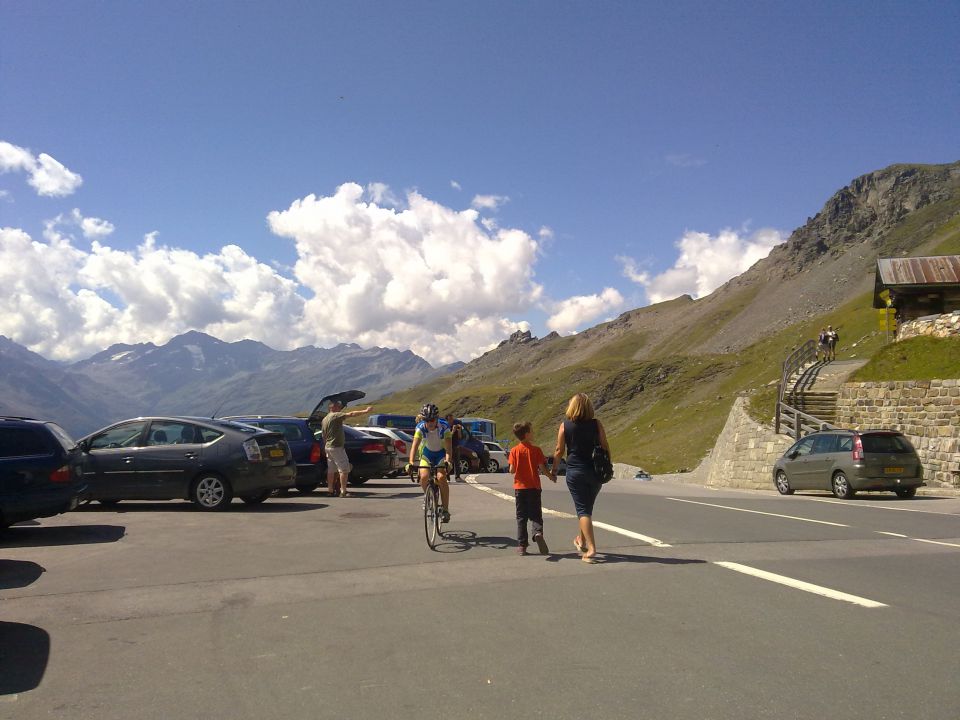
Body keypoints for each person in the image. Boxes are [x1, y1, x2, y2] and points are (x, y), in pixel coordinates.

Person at [553, 392, 609, 564]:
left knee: (582, 510)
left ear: (572, 406)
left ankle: (591, 549)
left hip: (575, 471)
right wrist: (607, 465)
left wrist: (554, 469)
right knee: (585, 509)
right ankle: (582, 540)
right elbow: (605, 446)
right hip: (594, 473)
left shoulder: (565, 425)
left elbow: (559, 450)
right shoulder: (596, 424)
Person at [508, 421, 555, 555]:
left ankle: (522, 545)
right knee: (535, 515)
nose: (533, 433)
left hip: (519, 488)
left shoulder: (514, 451)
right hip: (534, 487)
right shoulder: (536, 450)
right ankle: (538, 532)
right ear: (527, 434)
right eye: (532, 431)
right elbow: (542, 468)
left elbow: (511, 470)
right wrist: (551, 476)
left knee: (521, 517)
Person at [408, 403, 453, 523]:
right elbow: (414, 446)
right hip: (427, 453)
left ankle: (445, 509)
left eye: (432, 420)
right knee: (423, 476)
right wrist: (411, 462)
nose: (430, 423)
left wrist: (448, 461)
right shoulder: (420, 427)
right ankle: (428, 497)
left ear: (437, 418)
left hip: (440, 454)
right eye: (427, 420)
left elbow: (449, 448)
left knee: (441, 477)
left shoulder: (444, 427)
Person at [321, 399, 373, 497]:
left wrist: (325, 446)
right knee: (344, 469)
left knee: (331, 470)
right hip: (336, 446)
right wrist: (365, 411)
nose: (340, 409)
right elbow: (351, 414)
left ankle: (330, 490)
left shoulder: (324, 419)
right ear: (333, 407)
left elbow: (323, 435)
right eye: (339, 407)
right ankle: (343, 491)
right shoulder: (335, 416)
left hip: (328, 446)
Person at [445, 414, 464, 481]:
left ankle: (457, 477)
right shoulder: (446, 427)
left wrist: (459, 431)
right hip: (448, 446)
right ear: (447, 420)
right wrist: (453, 431)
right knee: (448, 462)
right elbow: (448, 437)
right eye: (450, 419)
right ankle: (447, 475)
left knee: (457, 462)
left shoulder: (455, 426)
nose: (451, 421)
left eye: (452, 419)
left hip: (456, 445)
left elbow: (460, 437)